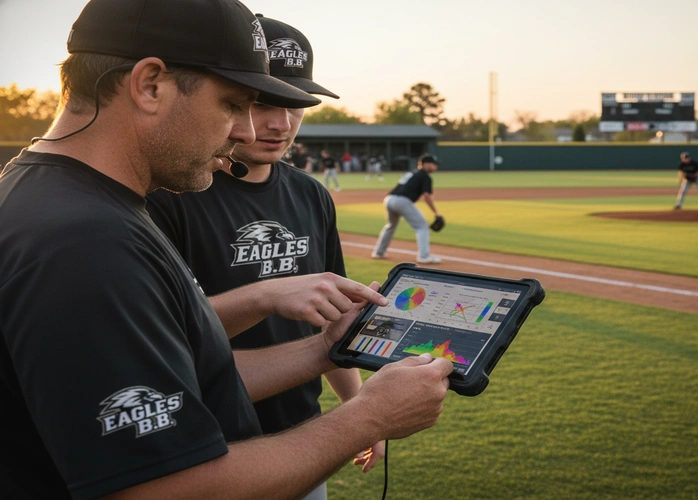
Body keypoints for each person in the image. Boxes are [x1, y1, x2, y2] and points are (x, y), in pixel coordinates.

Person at [0, 1, 453, 498]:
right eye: (235, 104)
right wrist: (366, 418)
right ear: (150, 85)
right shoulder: (85, 241)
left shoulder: (59, 200)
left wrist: (324, 347)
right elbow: (162, 489)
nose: (250, 131)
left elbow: (178, 377)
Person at [145, 16, 381, 498]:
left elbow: (330, 320)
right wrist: (266, 295)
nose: (280, 123)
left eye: (296, 105)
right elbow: (160, 339)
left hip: (304, 438)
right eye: (263, 103)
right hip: (207, 449)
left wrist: (362, 412)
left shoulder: (311, 195)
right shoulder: (171, 194)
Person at [372, 154, 443, 264]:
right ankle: (424, 256)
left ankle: (378, 252)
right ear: (425, 164)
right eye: (434, 164)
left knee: (391, 226)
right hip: (402, 201)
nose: (435, 167)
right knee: (422, 226)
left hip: (389, 199)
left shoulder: (412, 173)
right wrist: (436, 213)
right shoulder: (425, 176)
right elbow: (427, 196)